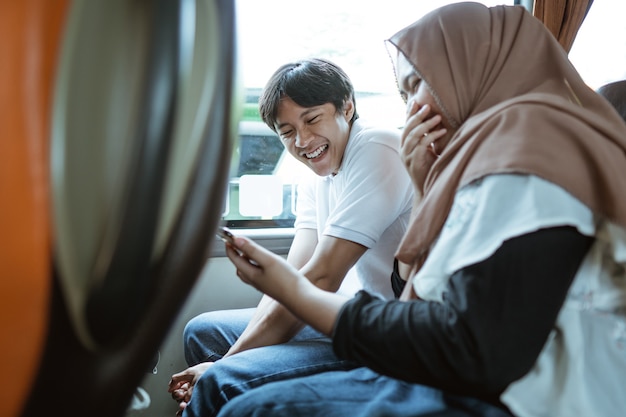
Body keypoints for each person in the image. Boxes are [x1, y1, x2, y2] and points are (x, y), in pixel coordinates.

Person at [215, 3, 626, 416]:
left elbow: (473, 347)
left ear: (470, 70)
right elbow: (423, 299)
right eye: (404, 95)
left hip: (533, 396)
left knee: (247, 406)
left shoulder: (528, 155)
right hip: (469, 370)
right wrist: (424, 187)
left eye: (418, 86)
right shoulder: (482, 157)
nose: (411, 110)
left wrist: (294, 291)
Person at [168, 58, 414, 416]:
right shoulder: (316, 176)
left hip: (379, 335)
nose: (302, 141)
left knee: (225, 376)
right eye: (287, 132)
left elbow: (322, 278)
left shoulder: (378, 148)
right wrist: (223, 361)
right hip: (340, 317)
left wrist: (221, 367)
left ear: (347, 105)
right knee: (203, 331)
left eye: (312, 119)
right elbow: (292, 279)